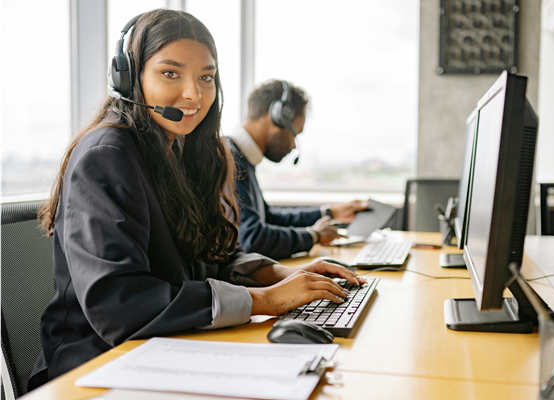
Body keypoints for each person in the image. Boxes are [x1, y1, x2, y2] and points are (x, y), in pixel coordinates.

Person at [29, 9, 363, 390]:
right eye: (171, 73)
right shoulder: (107, 155)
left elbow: (208, 257)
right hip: (93, 368)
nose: (194, 94)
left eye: (206, 77)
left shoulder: (183, 152)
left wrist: (277, 274)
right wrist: (263, 301)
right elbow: (119, 306)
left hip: (165, 350)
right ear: (129, 76)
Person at [227, 80, 369, 260]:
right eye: (295, 133)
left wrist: (329, 213)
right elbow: (253, 239)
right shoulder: (230, 160)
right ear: (278, 116)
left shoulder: (242, 157)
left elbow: (268, 217)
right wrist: (313, 236)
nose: (294, 145)